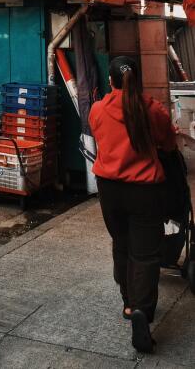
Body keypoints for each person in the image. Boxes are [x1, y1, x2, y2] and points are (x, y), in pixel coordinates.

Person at [89, 56, 177, 354]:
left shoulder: (98, 110)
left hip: (109, 190)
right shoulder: (152, 110)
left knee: (121, 244)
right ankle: (142, 310)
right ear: (136, 81)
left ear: (111, 81)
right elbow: (168, 144)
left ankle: (128, 303)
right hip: (144, 191)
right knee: (146, 254)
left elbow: (100, 138)